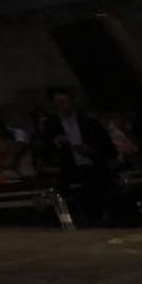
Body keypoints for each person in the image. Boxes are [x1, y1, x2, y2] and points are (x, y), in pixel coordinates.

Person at [42, 87, 119, 222]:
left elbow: (107, 147)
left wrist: (90, 151)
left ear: (72, 101)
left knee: (99, 181)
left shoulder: (89, 122)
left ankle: (104, 215)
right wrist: (56, 142)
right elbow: (45, 148)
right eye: (58, 102)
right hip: (68, 166)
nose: (61, 105)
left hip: (92, 163)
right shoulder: (51, 125)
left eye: (64, 101)